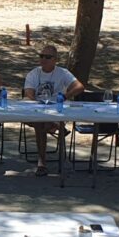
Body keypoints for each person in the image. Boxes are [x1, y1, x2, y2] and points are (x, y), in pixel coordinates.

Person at [22, 44, 84, 177]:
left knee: (41, 124)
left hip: (55, 109)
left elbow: (79, 87)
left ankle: (42, 163)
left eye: (48, 57)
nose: (43, 59)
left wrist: (65, 96)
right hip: (37, 110)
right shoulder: (33, 73)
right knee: (40, 122)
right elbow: (28, 93)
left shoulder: (63, 73)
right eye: (41, 56)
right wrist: (37, 103)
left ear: (55, 59)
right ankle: (54, 127)